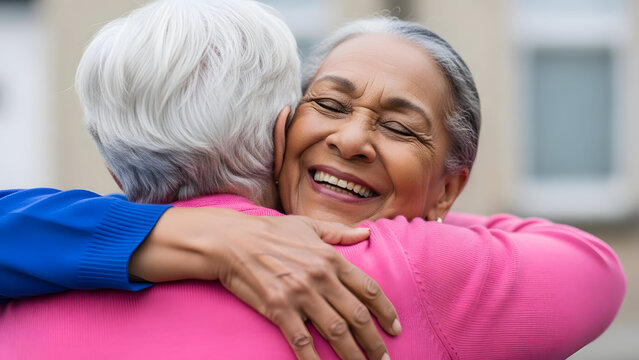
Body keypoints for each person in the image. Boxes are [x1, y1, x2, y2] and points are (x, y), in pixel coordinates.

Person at [0, 0, 626, 359]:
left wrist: (155, 233)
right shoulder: (410, 272)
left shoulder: (29, 281)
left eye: (401, 130)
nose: (351, 140)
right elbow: (593, 269)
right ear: (279, 133)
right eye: (327, 105)